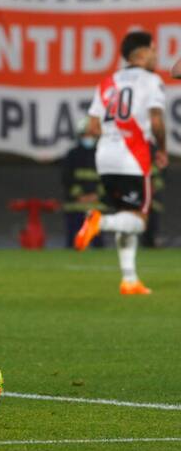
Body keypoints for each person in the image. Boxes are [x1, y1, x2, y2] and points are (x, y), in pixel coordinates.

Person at [75, 31, 168, 295]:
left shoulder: (107, 82)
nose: (156, 55)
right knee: (139, 220)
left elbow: (92, 127)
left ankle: (129, 279)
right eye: (153, 50)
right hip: (133, 158)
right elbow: (157, 121)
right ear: (142, 52)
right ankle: (99, 223)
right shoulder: (151, 81)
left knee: (125, 216)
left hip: (105, 157)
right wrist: (161, 149)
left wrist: (115, 132)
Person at [61, 118, 105, 249]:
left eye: (91, 135)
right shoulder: (72, 155)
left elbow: (107, 180)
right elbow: (66, 179)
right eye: (86, 135)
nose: (89, 138)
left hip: (96, 208)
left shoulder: (102, 154)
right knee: (73, 243)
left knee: (98, 245)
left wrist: (97, 195)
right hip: (75, 207)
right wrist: (79, 196)